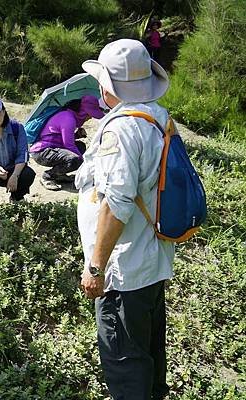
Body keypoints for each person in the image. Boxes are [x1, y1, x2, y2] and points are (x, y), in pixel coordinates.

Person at [75, 39, 175, 400]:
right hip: (153, 258)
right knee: (148, 353)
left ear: (108, 85)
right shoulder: (157, 117)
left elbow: (116, 204)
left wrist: (96, 267)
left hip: (124, 270)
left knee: (125, 361)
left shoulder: (121, 129)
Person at [29, 95, 105, 190]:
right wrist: (84, 163)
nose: (90, 118)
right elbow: (68, 145)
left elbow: (59, 138)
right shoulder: (68, 118)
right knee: (75, 159)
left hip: (52, 148)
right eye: (90, 114)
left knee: (80, 146)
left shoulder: (69, 115)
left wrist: (77, 135)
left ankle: (60, 174)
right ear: (83, 112)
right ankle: (48, 176)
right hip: (42, 152)